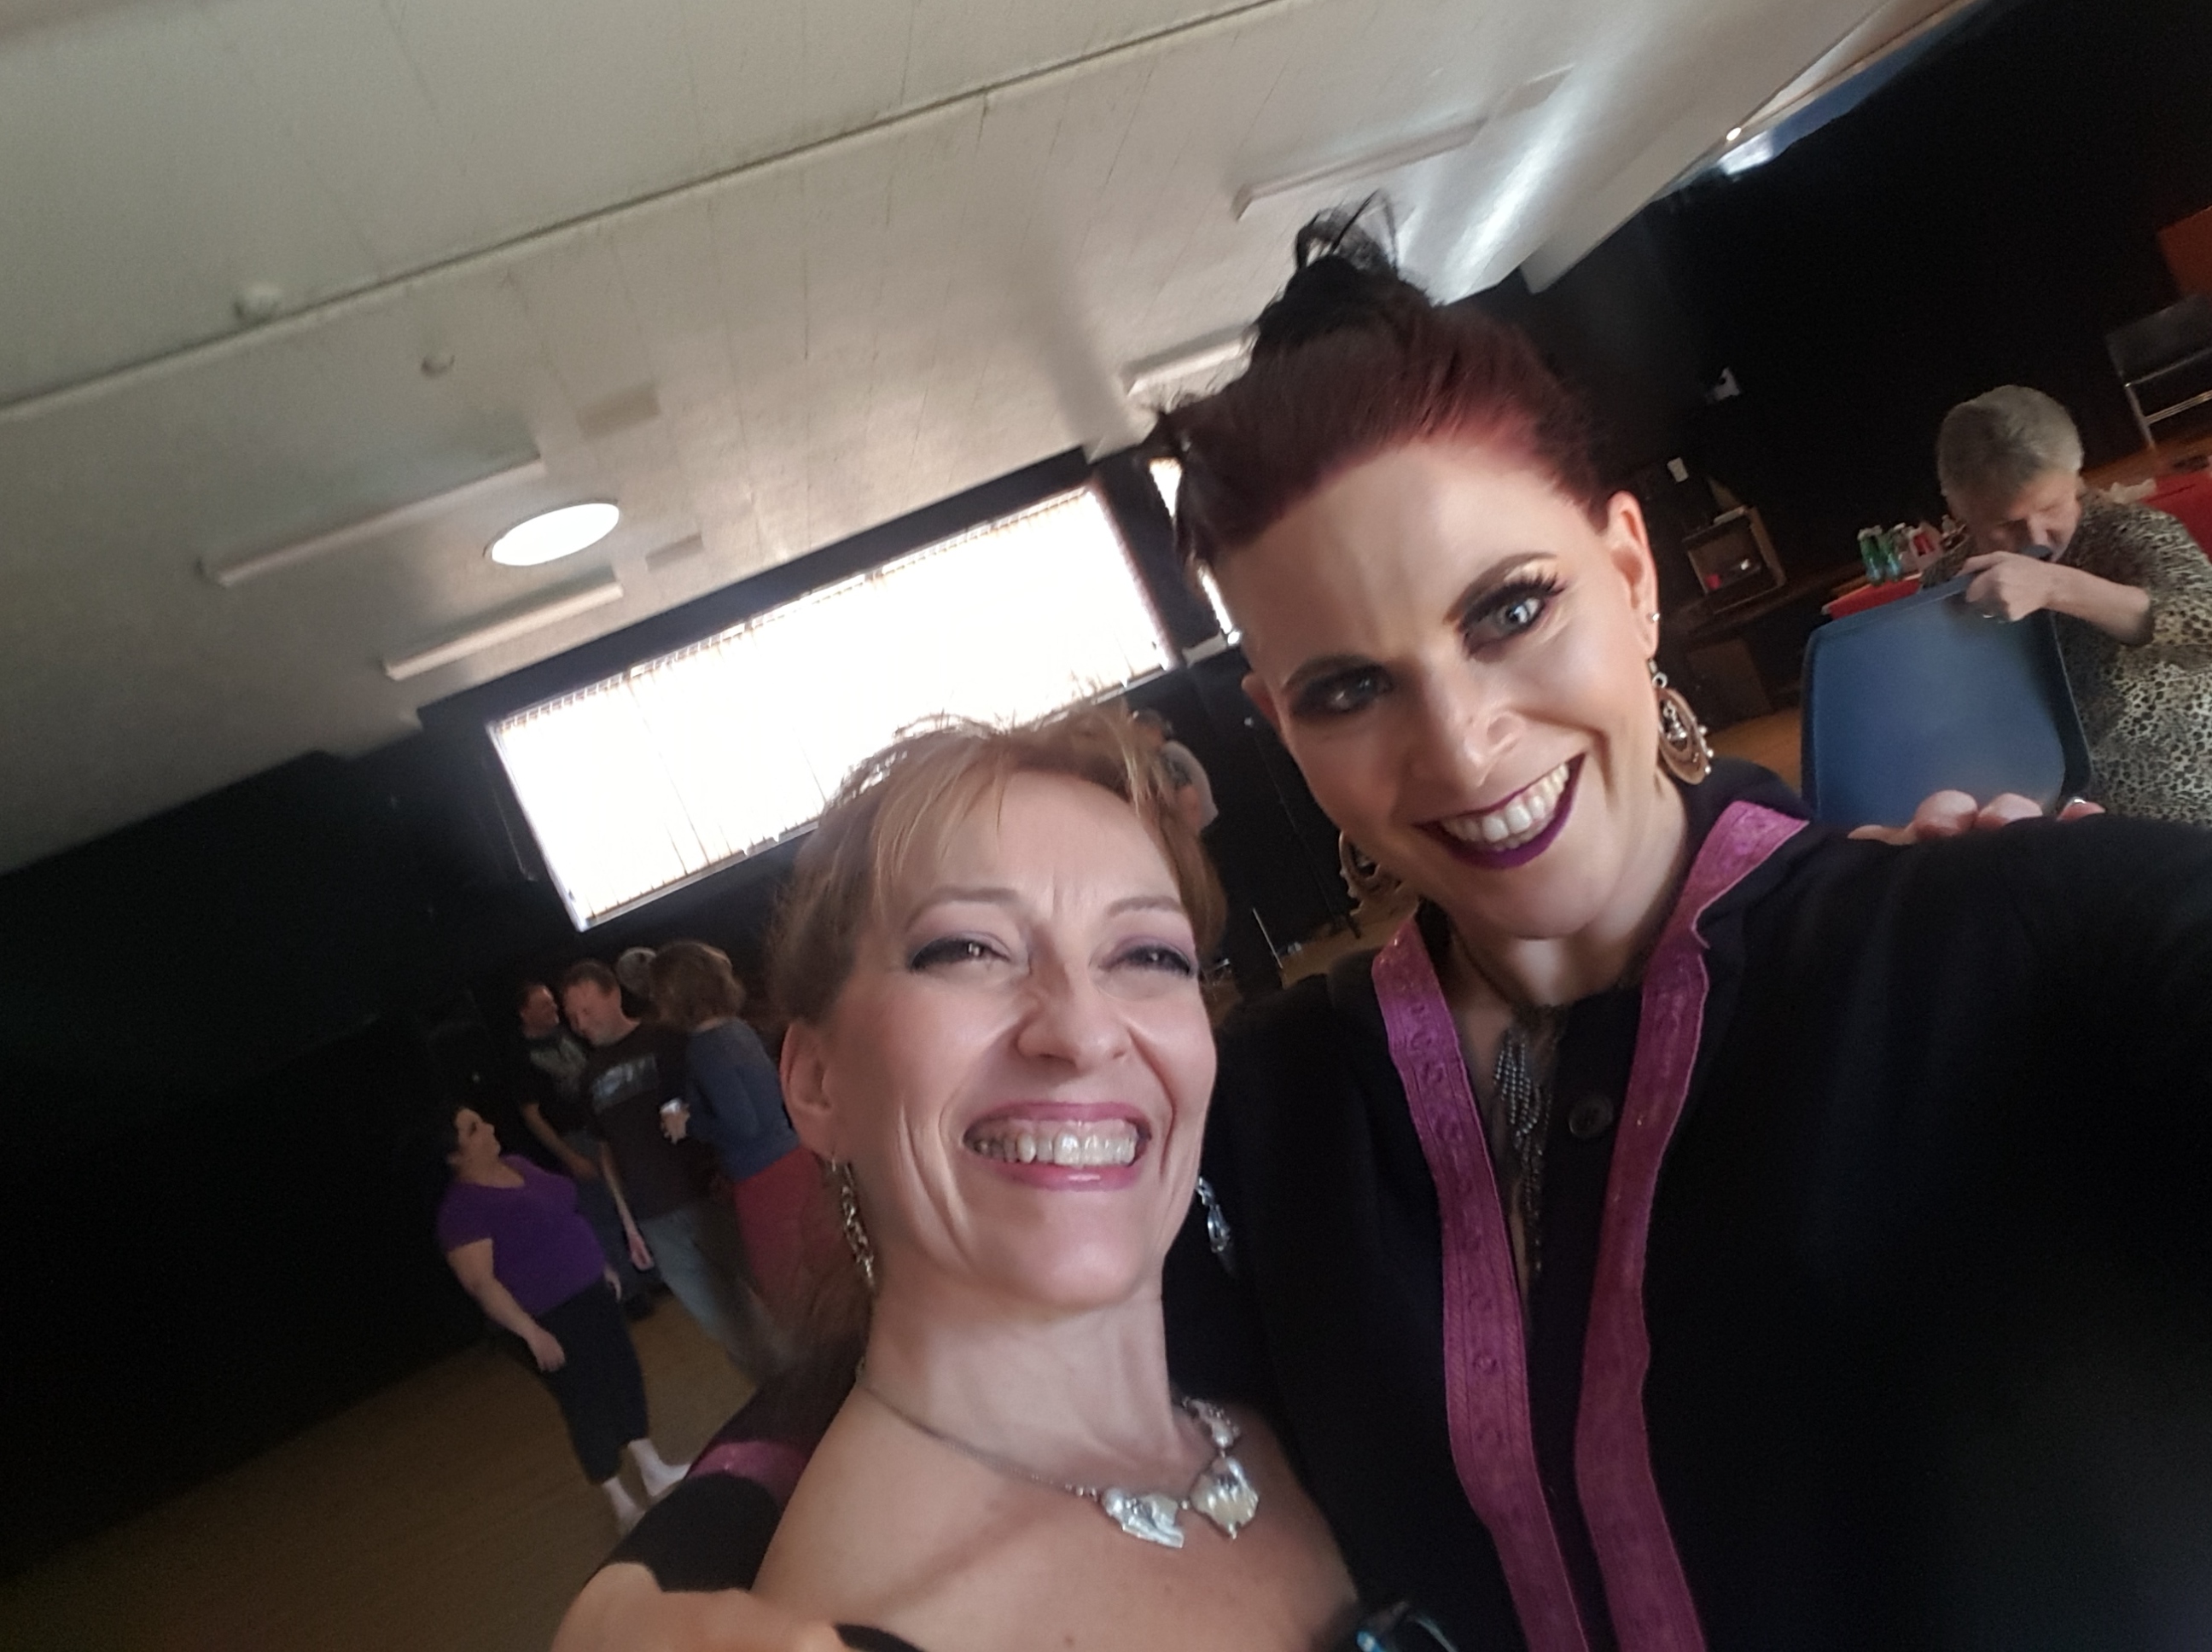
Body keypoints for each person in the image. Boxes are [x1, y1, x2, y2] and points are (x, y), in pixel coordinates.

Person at [560, 213, 2212, 1651]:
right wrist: (674, 1566)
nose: (1463, 747)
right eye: (1350, 688)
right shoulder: (1265, 1123)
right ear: (1279, 723)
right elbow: (944, 1351)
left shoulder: (2010, 947)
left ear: (1631, 570)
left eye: (1512, 608)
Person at [576, 711, 1373, 1652]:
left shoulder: (1342, 1379)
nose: (1083, 1032)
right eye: (967, 949)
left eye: (1148, 955)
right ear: (817, 1082)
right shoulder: (855, 1621)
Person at [1918, 384, 2212, 824]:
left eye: (2053, 507)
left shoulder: (2127, 534)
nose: (2037, 537)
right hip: (2036, 816)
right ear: (1961, 509)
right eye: (2006, 524)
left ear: (2075, 478)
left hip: (2172, 804)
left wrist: (2058, 587)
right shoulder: (1947, 580)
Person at [436, 1103, 686, 1531]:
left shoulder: (518, 1165)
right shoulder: (462, 1211)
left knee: (621, 1372)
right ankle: (619, 1499)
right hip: (547, 1315)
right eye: (474, 1129)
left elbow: (562, 1216)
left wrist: (599, 1265)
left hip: (590, 1292)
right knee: (584, 1399)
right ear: (454, 1156)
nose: (489, 1127)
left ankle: (651, 1466)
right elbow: (481, 1282)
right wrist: (531, 1333)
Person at [560, 959, 786, 1378]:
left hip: (709, 1194)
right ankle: (775, 1389)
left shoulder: (668, 1040)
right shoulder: (590, 1076)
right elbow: (607, 1151)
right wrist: (628, 1223)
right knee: (723, 1324)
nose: (581, 1024)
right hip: (656, 1217)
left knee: (775, 1296)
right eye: (572, 1017)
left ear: (614, 994)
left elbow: (721, 1107)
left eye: (587, 1010)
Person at [649, 940, 840, 1331]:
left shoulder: (704, 1048)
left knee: (792, 1295)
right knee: (832, 1274)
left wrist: (689, 1124)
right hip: (795, 1159)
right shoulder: (738, 1030)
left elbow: (742, 1125)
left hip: (762, 1178)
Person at [513, 979, 657, 1312]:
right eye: (543, 1005)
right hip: (574, 1136)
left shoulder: (570, 1037)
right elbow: (532, 1115)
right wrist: (569, 1155)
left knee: (629, 1198)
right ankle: (630, 1290)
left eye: (553, 1002)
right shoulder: (522, 1057)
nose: (553, 1009)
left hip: (601, 1125)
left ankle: (652, 1270)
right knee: (601, 1214)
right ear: (524, 1013)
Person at [1132, 709, 1220, 835]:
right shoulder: (1174, 749)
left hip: (1200, 823)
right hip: (1206, 818)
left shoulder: (1167, 755)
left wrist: (1189, 835)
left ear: (1153, 730)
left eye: (1138, 734)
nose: (1136, 742)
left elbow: (1188, 798)